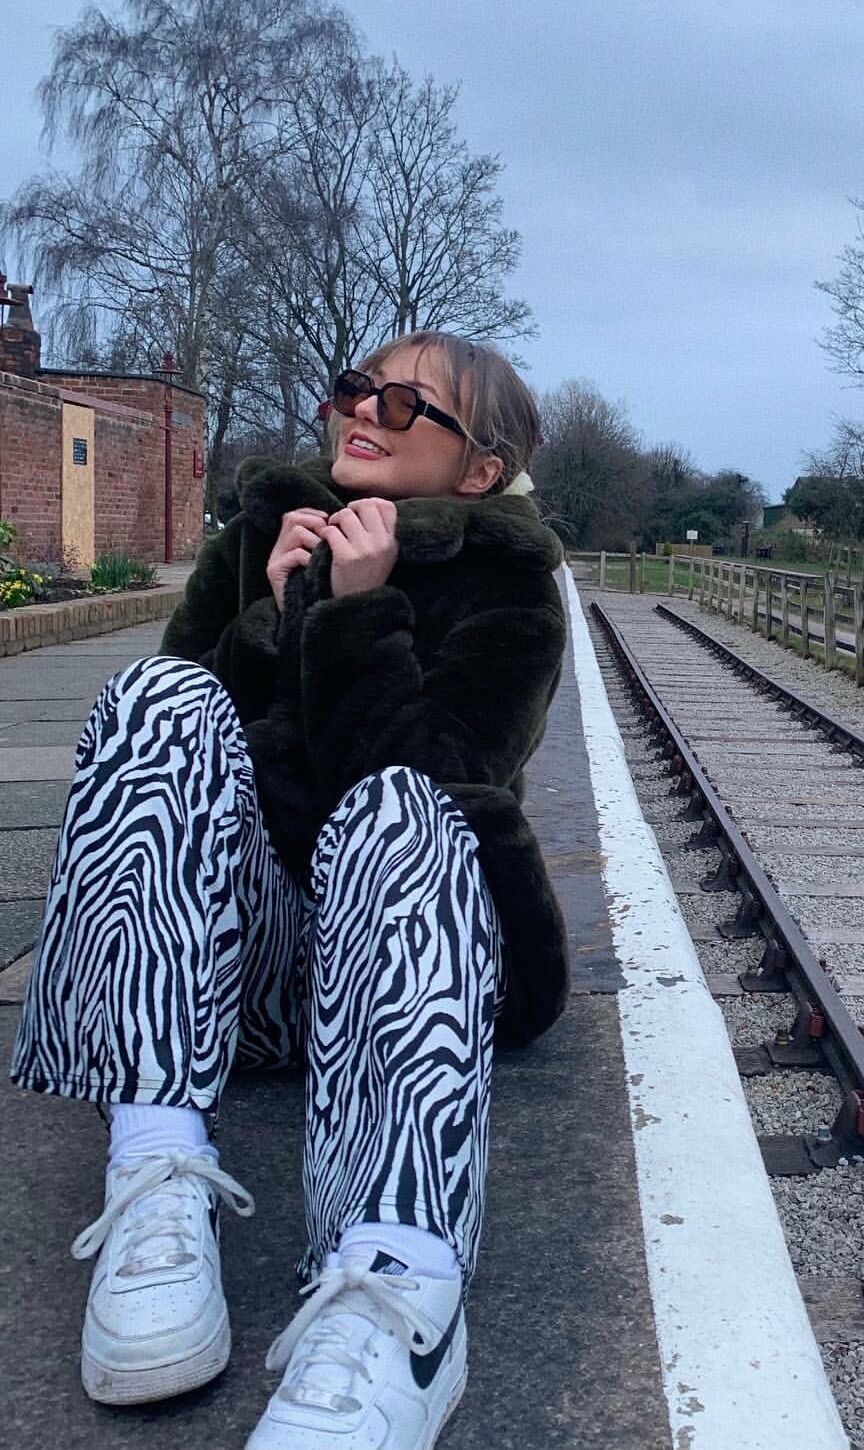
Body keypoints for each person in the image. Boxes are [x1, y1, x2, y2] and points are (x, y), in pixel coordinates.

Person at [10, 333, 569, 1449]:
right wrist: (271, 609)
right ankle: (156, 1173)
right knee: (157, 698)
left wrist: (357, 611)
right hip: (250, 983)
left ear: (480, 469)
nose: (363, 409)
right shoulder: (265, 533)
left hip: (412, 985)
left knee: (407, 805)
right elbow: (177, 780)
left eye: (405, 404)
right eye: (357, 388)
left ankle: (402, 1289)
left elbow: (446, 781)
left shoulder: (510, 587)